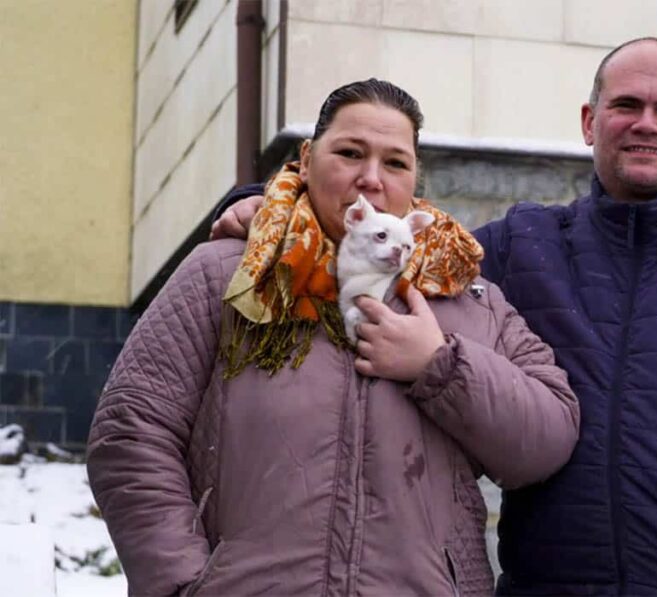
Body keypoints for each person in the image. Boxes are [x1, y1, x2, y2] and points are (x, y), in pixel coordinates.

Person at [213, 38, 657, 595]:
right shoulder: (521, 248)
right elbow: (386, 244)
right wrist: (268, 207)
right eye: (625, 105)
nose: (645, 121)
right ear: (590, 121)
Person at [87, 79, 580, 597]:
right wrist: (186, 583)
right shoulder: (230, 275)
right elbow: (132, 433)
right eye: (349, 153)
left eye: (395, 163)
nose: (370, 178)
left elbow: (545, 441)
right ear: (307, 156)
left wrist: (439, 365)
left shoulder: (465, 298)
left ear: (414, 178)